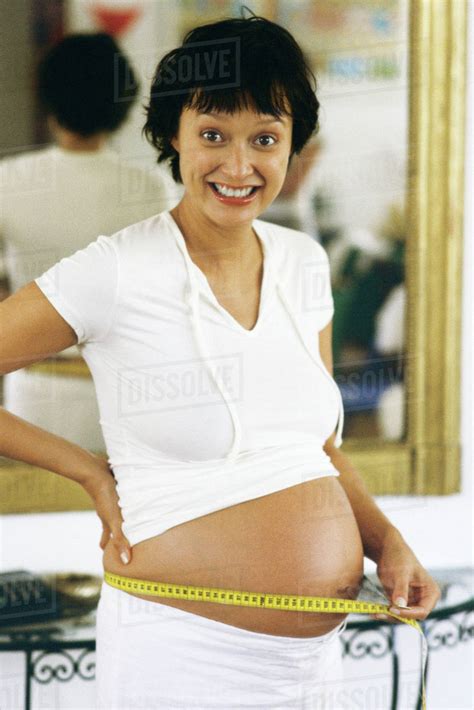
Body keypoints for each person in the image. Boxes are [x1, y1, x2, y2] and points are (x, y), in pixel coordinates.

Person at [0, 13, 440, 709]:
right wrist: (86, 470)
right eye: (213, 136)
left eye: (265, 138)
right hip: (179, 656)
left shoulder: (305, 263)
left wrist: (387, 542)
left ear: (295, 145)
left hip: (316, 668)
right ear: (171, 135)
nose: (239, 167)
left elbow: (319, 448)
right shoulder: (117, 270)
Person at [0, 32, 174, 451]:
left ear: (49, 101)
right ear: (123, 104)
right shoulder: (154, 189)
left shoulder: (8, 181)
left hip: (36, 393)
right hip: (130, 397)